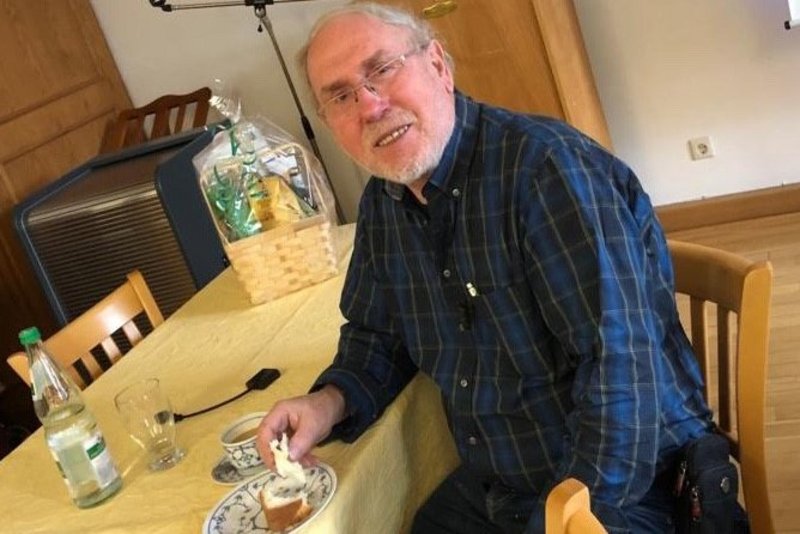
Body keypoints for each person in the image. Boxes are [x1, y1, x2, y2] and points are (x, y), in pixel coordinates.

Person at [256, 3, 714, 532]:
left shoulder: (546, 171)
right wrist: (328, 402)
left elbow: (622, 372)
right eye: (340, 97)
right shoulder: (385, 202)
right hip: (503, 482)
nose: (370, 106)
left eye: (381, 69)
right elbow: (377, 334)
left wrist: (566, 516)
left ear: (437, 65)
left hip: (631, 484)